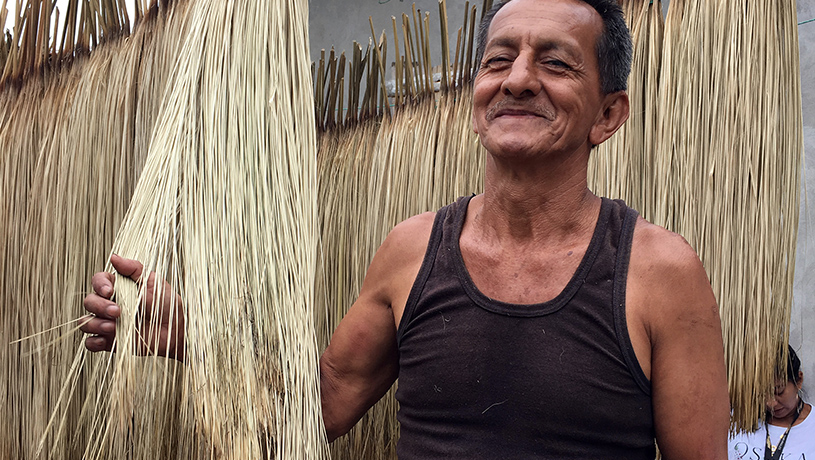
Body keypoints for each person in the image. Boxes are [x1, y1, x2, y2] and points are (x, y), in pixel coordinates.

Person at [82, 0, 731, 457]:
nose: (518, 79)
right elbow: (322, 411)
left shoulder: (658, 273)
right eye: (497, 59)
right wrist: (194, 338)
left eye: (556, 64)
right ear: (475, 96)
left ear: (608, 113)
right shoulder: (412, 250)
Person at [727, 346, 813, 459]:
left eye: (779, 391)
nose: (771, 403)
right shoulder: (734, 421)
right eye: (760, 394)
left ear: (798, 381)